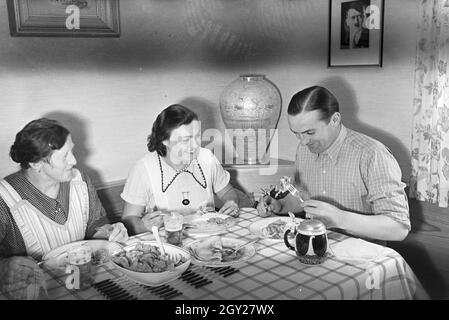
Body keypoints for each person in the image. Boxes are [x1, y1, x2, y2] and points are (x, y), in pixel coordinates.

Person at [257, 86, 411, 242]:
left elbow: (398, 229)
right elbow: (304, 199)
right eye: (297, 134)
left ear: (335, 120)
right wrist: (280, 205)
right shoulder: (304, 150)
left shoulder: (372, 154)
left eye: (310, 132)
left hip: (360, 256)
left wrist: (340, 218)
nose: (303, 142)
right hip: (314, 247)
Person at [0, 118, 129, 299]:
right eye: (65, 155)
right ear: (36, 163)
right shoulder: (4, 198)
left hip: (82, 285)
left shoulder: (80, 181)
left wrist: (109, 232)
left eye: (72, 151)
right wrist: (4, 267)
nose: (74, 160)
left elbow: (95, 226)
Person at [121, 104, 242, 235]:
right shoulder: (143, 168)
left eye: (197, 137)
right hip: (169, 245)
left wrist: (231, 202)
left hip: (208, 238)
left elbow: (227, 191)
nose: (195, 145)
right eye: (185, 140)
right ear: (164, 140)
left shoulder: (207, 158)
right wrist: (143, 225)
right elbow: (128, 219)